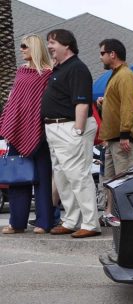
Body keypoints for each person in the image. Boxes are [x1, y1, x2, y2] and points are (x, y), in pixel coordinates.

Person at [41, 29, 100, 238]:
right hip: (55, 129)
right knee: (63, 177)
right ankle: (71, 220)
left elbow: (82, 103)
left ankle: (91, 223)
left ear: (66, 45)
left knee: (78, 176)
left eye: (52, 42)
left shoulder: (77, 68)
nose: (49, 46)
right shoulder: (60, 68)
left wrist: (78, 130)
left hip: (70, 127)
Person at [0, 35, 57, 234]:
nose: (21, 49)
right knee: (18, 177)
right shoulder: (20, 71)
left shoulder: (48, 74)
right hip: (17, 130)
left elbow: (44, 104)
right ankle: (16, 223)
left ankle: (44, 222)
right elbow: (13, 101)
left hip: (39, 132)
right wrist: (9, 124)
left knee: (42, 178)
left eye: (25, 46)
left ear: (34, 48)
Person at [96, 38, 133, 225]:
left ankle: (127, 217)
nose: (100, 58)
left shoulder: (125, 76)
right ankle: (110, 214)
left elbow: (128, 105)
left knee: (125, 179)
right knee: (110, 179)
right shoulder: (116, 76)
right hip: (112, 139)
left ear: (112, 54)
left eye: (102, 53)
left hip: (123, 139)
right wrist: (104, 102)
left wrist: (125, 134)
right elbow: (119, 105)